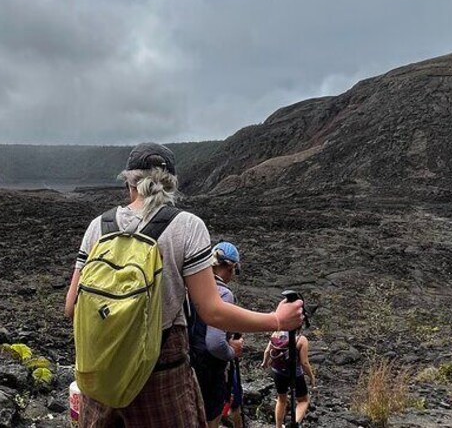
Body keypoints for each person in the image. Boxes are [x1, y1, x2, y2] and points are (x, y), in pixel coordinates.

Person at [65, 142, 304, 428]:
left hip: (100, 372)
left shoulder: (98, 226)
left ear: (129, 182)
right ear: (171, 184)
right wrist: (277, 319)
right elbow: (212, 311)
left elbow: (71, 307)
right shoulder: (186, 226)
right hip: (161, 370)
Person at [188, 241, 244, 428]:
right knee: (210, 418)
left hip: (188, 363)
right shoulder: (223, 294)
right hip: (209, 369)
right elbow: (215, 343)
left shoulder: (191, 287)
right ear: (230, 267)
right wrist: (232, 351)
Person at [261, 330, 316, 428]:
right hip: (295, 374)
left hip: (278, 372)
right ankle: (294, 423)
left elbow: (267, 351)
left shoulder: (276, 333)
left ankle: (278, 426)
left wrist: (264, 363)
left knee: (281, 399)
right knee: (303, 401)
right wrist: (311, 377)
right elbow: (304, 363)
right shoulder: (301, 340)